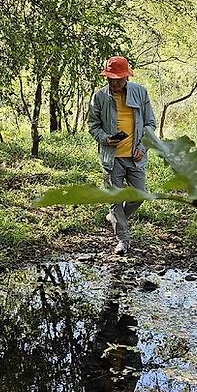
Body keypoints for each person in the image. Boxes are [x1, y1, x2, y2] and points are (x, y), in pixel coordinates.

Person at [87, 56, 156, 255]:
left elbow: (150, 124)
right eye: (110, 78)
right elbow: (93, 125)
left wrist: (142, 147)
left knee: (139, 195)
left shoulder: (140, 93)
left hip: (135, 156)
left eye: (118, 78)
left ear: (127, 76)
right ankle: (123, 240)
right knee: (115, 200)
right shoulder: (99, 97)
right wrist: (105, 138)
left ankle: (115, 218)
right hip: (112, 157)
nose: (114, 82)